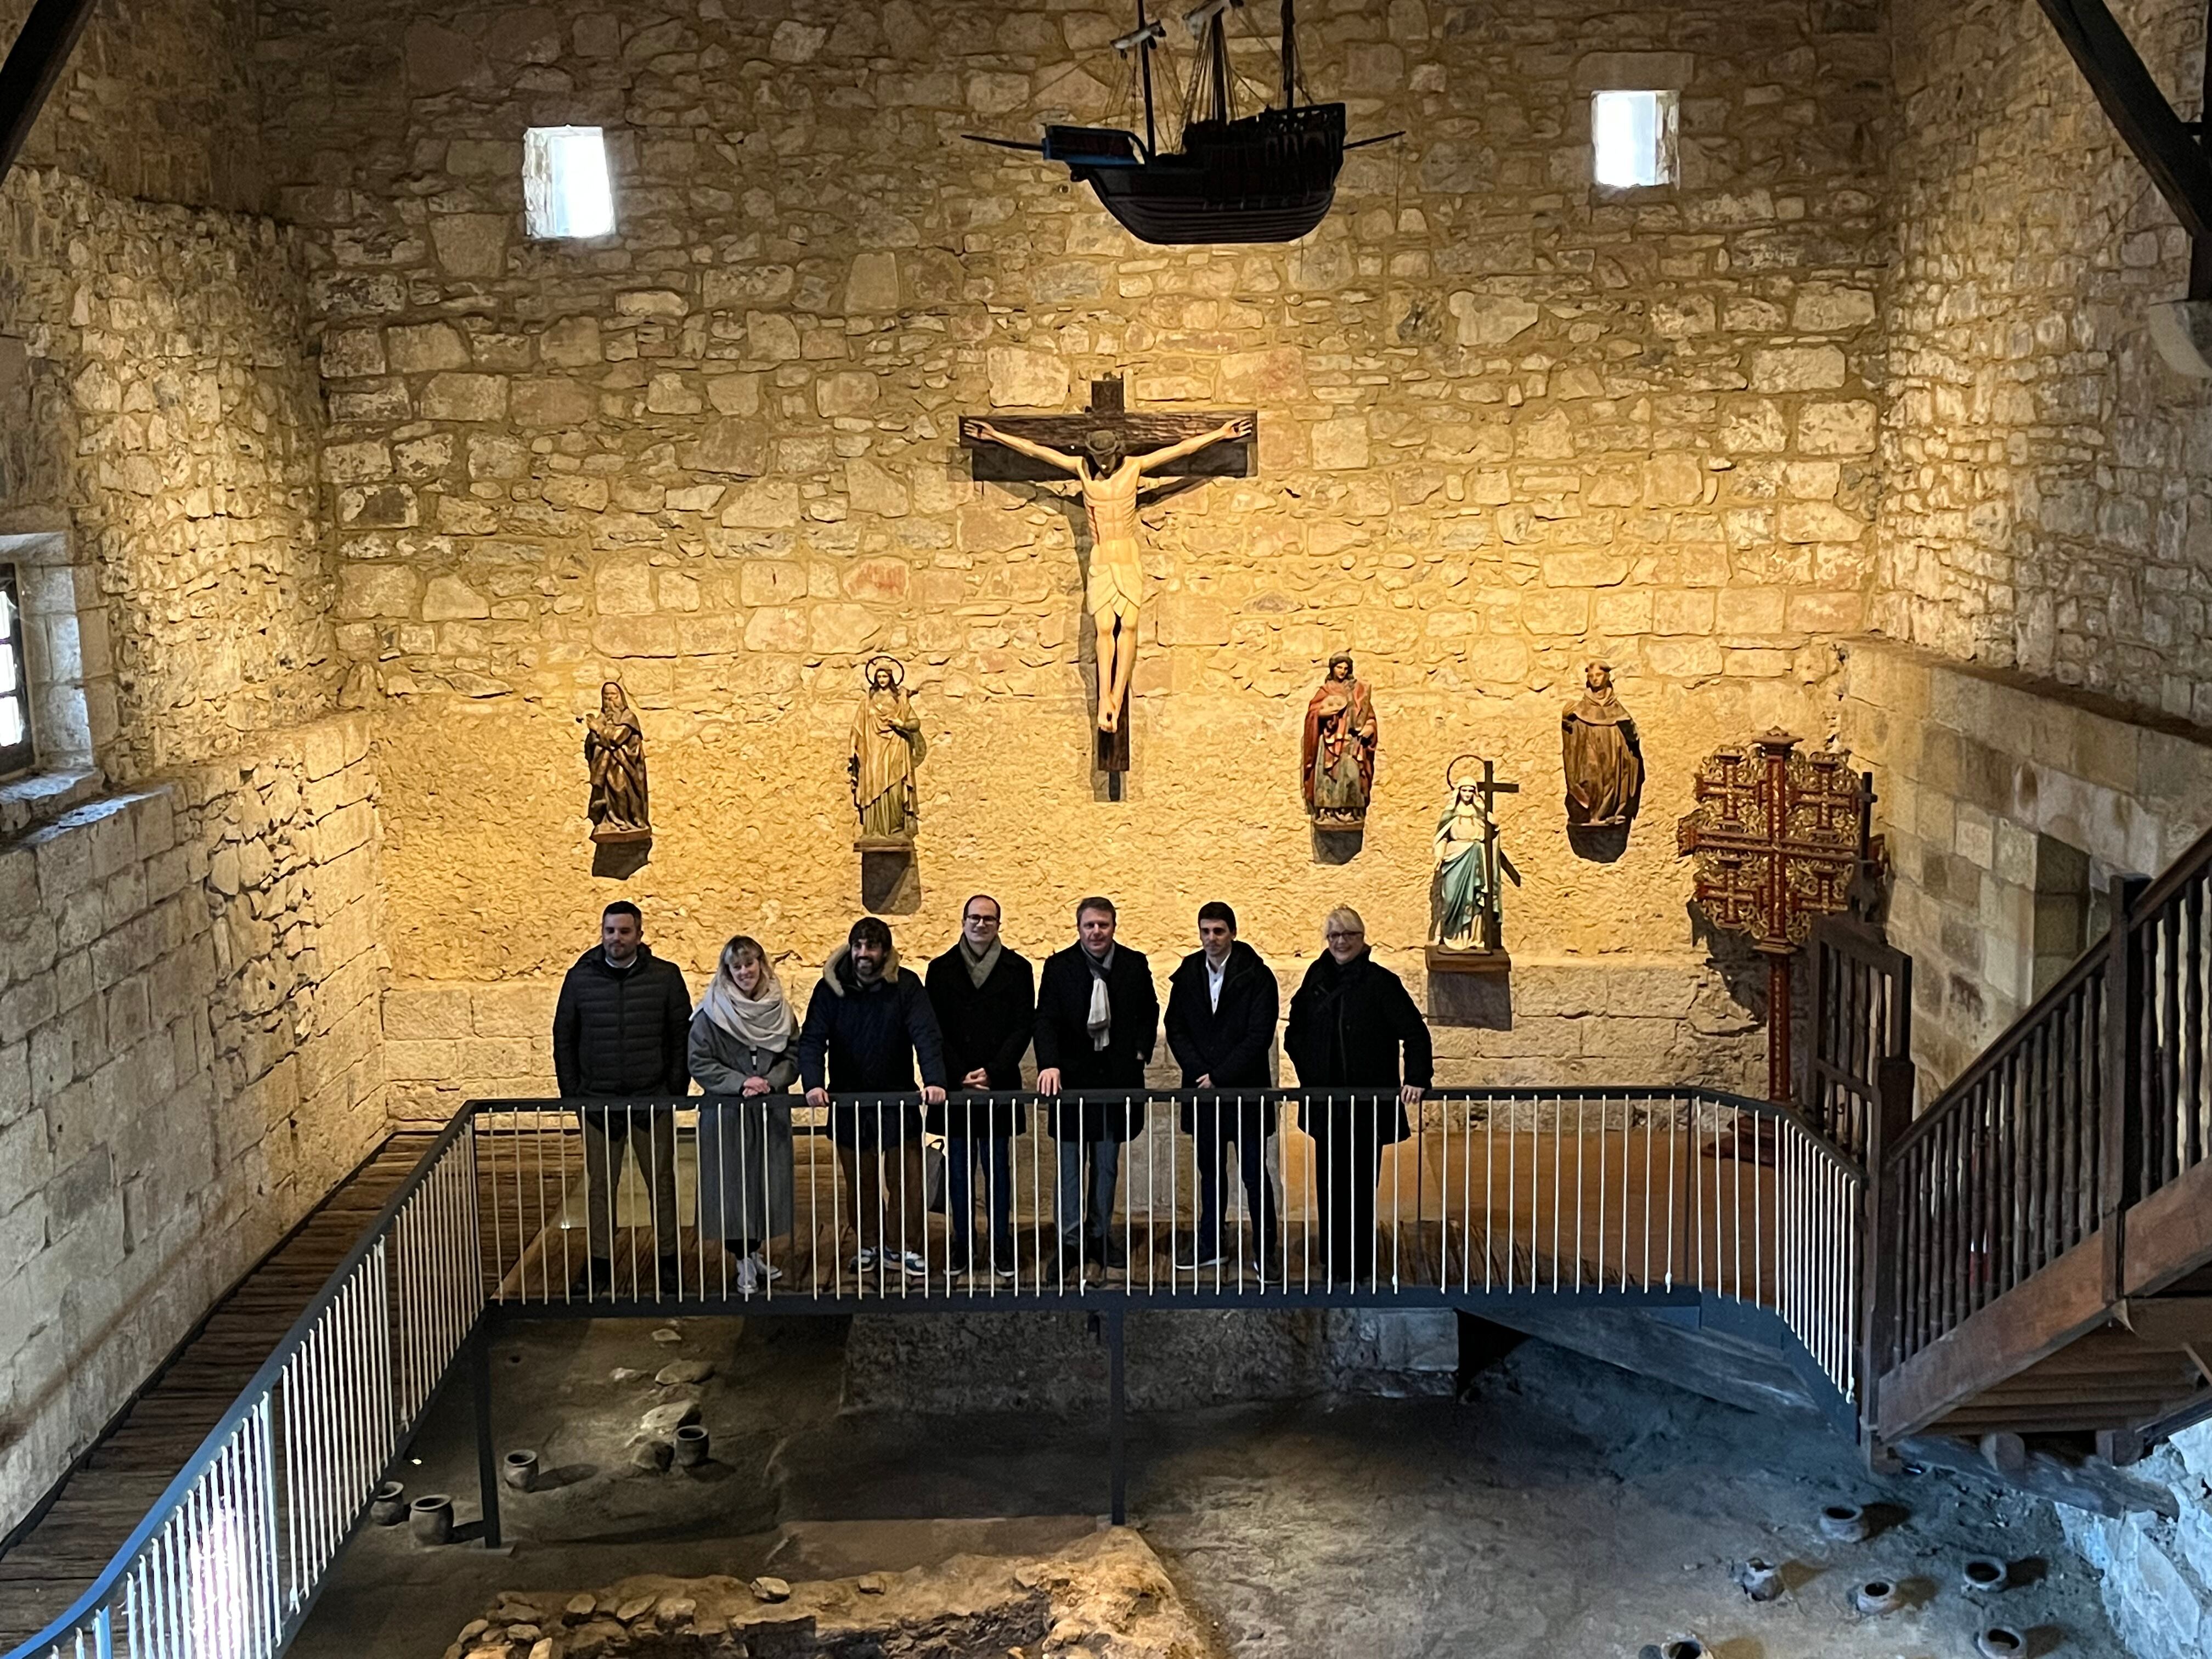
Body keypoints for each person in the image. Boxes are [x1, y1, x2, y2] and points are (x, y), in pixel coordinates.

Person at [962, 415, 1251, 732]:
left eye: (1107, 456)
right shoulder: (1082, 470)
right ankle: (1104, 700)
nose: (1102, 462)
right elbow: (1035, 451)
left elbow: (1182, 450)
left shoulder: (1134, 467)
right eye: (1098, 456)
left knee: (1128, 625)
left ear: (1117, 452)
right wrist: (995, 436)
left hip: (1127, 555)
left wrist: (1221, 434)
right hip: (1101, 556)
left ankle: (1117, 695)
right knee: (1103, 629)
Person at [1283, 907, 1432, 1290]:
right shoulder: (1316, 977)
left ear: (1362, 937)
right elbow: (1295, 1032)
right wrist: (1311, 1077)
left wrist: (1416, 1077)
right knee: (1331, 1186)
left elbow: (1415, 1033)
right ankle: (1334, 1262)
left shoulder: (1382, 983)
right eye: (1334, 936)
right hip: (1328, 1105)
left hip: (1366, 1108)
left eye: (1348, 934)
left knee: (1361, 1187)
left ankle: (1359, 1264)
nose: (1341, 942)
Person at [551, 900, 692, 1296]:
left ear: (639, 935)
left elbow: (681, 1035)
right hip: (598, 1101)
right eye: (610, 931)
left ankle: (668, 1261)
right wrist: (573, 1094)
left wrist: (673, 1092)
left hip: (652, 1098)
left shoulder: (666, 977)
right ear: (602, 932)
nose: (616, 939)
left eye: (624, 932)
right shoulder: (580, 980)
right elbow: (564, 1036)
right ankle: (599, 1264)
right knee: (600, 1185)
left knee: (662, 1182)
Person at [799, 917, 949, 1280]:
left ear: (885, 951)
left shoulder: (906, 986)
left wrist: (934, 1080)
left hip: (898, 1098)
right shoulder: (830, 990)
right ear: (851, 949)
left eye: (872, 947)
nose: (864, 954)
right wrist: (814, 1084)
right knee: (861, 1181)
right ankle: (869, 1244)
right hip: (849, 1101)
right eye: (859, 946)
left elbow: (925, 1035)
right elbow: (813, 1039)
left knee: (907, 1180)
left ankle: (906, 1248)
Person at [1034, 896, 1159, 1274]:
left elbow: (1149, 1011)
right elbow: (1046, 1020)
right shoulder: (1060, 967)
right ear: (1079, 928)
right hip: (1071, 1084)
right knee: (1069, 1167)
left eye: (1103, 925)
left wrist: (1139, 1053)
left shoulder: (1134, 965)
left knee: (1106, 1166)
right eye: (1089, 925)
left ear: (1114, 926)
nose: (1096, 932)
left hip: (1115, 1083)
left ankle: (1100, 1234)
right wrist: (1050, 1064)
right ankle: (1070, 1241)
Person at [1164, 902, 1280, 1274]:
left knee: (1253, 1173)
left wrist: (1220, 1077)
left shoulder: (1257, 976)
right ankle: (1211, 1243)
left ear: (1233, 932)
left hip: (1243, 1092)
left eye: (1219, 931)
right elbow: (1176, 1028)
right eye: (1205, 932)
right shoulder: (1187, 975)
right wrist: (1200, 1072)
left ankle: (1266, 1249)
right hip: (1204, 1094)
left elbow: (1258, 1035)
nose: (1211, 939)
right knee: (1210, 1173)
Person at [924, 895, 1036, 1278]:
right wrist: (960, 1075)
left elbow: (1023, 1026)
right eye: (975, 918)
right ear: (963, 921)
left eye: (989, 919)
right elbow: (933, 1029)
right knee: (958, 1171)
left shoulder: (1018, 969)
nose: (981, 924)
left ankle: (1000, 1244)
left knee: (998, 1171)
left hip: (998, 1085)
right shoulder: (940, 970)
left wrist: (991, 1071)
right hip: (956, 1089)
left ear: (999, 924)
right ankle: (962, 1243)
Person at [689, 935, 797, 1297]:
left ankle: (756, 1252)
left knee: (764, 1184)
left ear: (761, 965)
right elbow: (700, 1060)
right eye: (736, 966)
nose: (745, 972)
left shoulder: (780, 1009)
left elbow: (793, 1055)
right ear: (727, 971)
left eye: (750, 964)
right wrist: (741, 1082)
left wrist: (770, 1081)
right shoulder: (711, 1012)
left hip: (767, 1110)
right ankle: (741, 1259)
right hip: (728, 1112)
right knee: (732, 1187)